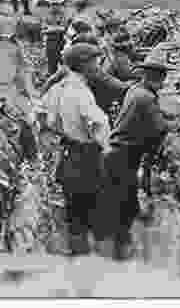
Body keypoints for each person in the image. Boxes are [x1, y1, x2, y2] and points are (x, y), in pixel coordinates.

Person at [96, 59, 180, 260]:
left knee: (124, 205)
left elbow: (151, 117)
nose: (163, 84)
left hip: (115, 155)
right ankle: (121, 257)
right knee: (123, 209)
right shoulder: (146, 97)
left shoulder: (135, 91)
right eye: (161, 80)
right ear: (155, 79)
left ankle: (123, 249)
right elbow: (160, 126)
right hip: (122, 158)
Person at [41, 43, 113, 255]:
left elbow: (42, 116)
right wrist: (110, 152)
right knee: (95, 215)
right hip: (87, 160)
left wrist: (62, 130)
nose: (98, 66)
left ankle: (76, 261)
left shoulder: (59, 88)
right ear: (85, 65)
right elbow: (98, 125)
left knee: (74, 214)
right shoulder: (81, 93)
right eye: (95, 62)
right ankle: (93, 265)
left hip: (68, 157)